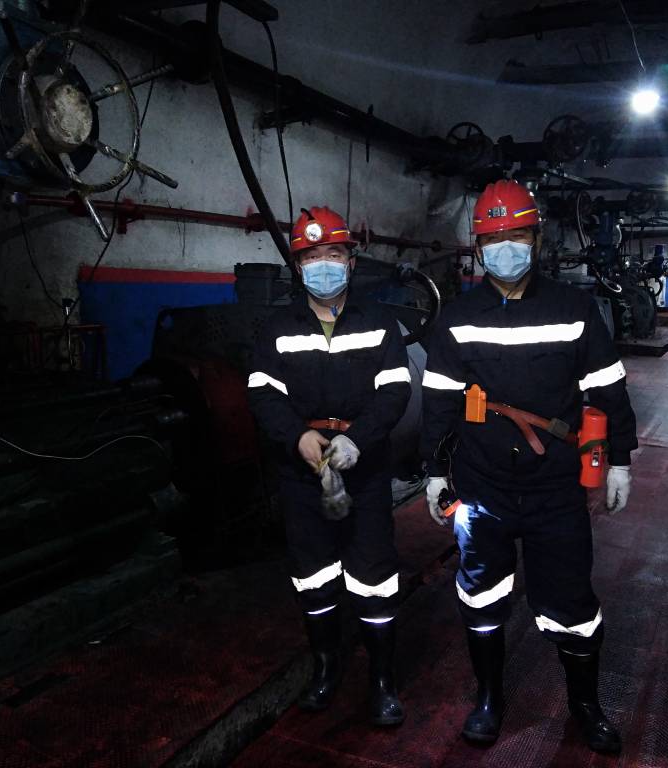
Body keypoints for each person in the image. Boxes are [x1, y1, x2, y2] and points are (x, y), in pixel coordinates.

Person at [419, 180, 638, 753]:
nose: (506, 249)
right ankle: (489, 699)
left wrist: (619, 459)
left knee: (571, 603)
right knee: (481, 595)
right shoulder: (457, 317)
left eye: (517, 236)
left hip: (555, 489)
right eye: (494, 239)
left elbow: (607, 388)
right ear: (478, 248)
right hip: (481, 486)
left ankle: (585, 706)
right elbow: (438, 399)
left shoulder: (573, 309)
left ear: (537, 240)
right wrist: (434, 472)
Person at [247, 205, 411, 726]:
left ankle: (382, 680)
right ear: (298, 267)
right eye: (312, 256)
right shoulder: (276, 328)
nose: (324, 264)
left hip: (365, 470)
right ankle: (325, 668)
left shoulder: (379, 322)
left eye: (334, 254)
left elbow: (395, 390)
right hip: (301, 473)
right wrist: (297, 436)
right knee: (313, 575)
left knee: (373, 576)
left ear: (351, 262)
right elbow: (262, 394)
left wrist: (357, 440)